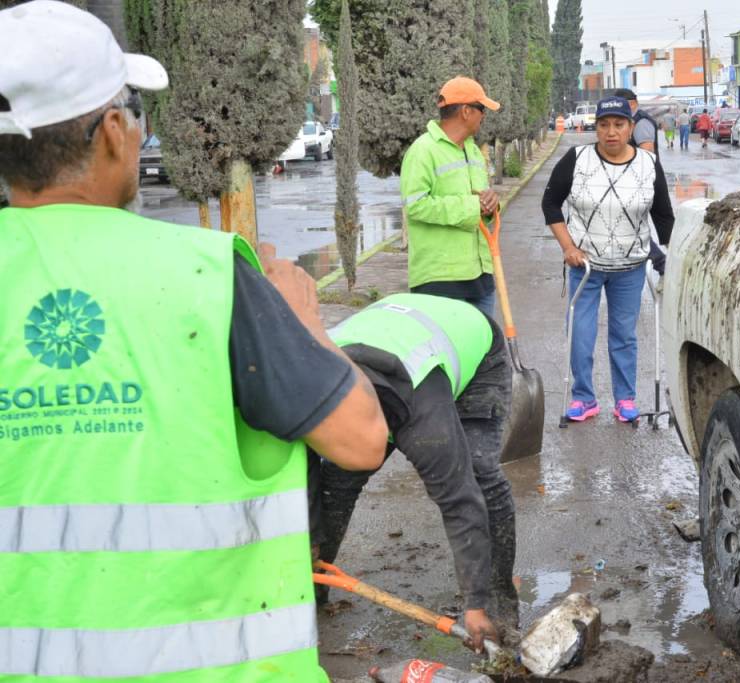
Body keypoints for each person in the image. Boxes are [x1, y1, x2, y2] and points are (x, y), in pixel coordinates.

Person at [0, 2, 388, 680]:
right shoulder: (208, 275)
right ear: (113, 132)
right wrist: (305, 319)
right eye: (134, 110)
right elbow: (360, 438)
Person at [311, 293, 517, 652]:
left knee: (478, 473)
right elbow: (306, 475)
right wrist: (311, 542)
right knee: (338, 481)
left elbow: (459, 499)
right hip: (389, 331)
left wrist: (475, 605)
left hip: (469, 343)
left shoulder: (424, 420)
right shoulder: (309, 389)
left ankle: (498, 605)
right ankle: (314, 588)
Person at [540, 96, 675, 423]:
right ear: (596, 127)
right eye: (604, 125)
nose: (611, 132)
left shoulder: (648, 164)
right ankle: (584, 398)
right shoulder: (577, 159)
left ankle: (625, 399)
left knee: (624, 336)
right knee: (580, 335)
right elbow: (551, 203)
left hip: (630, 268)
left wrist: (669, 259)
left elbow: (663, 216)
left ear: (631, 127)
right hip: (585, 267)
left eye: (618, 124)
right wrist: (568, 247)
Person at [400, 76, 501, 317]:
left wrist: (491, 205)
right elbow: (415, 206)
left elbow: (481, 202)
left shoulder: (473, 151)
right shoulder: (423, 151)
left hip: (480, 274)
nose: (484, 116)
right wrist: (472, 207)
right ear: (466, 111)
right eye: (482, 109)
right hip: (441, 279)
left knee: (485, 341)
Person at [614, 88, 659, 161]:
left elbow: (647, 153)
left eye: (617, 106)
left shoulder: (641, 122)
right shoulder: (631, 119)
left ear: (632, 104)